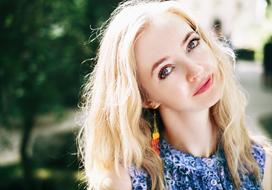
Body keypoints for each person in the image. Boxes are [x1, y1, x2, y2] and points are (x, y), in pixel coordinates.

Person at [77, 0, 272, 189]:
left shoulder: (261, 164)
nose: (195, 70)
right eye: (166, 70)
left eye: (192, 44)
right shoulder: (126, 181)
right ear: (145, 98)